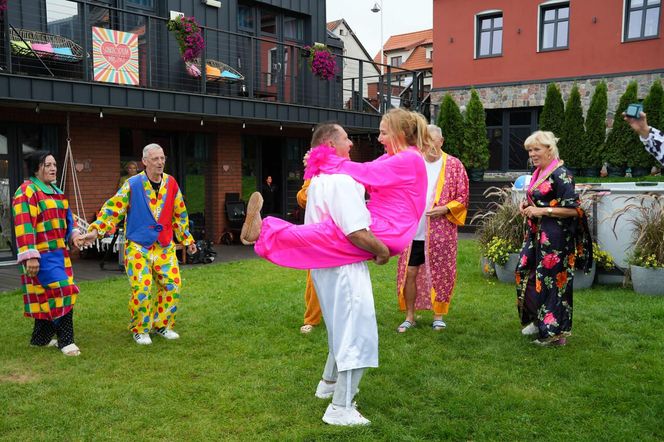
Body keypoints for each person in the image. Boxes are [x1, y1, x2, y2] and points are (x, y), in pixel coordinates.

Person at [241, 108, 429, 270]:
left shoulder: (410, 159)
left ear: (400, 134)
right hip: (384, 223)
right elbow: (364, 177)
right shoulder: (392, 158)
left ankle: (265, 231)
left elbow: (366, 171)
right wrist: (320, 161)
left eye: (384, 133)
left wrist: (324, 160)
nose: (379, 139)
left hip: (391, 229)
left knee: (329, 234)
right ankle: (267, 237)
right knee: (325, 237)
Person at [78, 144, 197, 345]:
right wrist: (96, 230)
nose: (160, 162)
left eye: (162, 158)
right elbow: (112, 209)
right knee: (142, 289)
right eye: (155, 159)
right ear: (145, 162)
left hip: (164, 245)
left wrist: (187, 240)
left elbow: (180, 214)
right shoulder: (132, 184)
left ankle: (162, 325)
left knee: (172, 285)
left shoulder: (172, 183)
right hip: (138, 247)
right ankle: (140, 329)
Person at [516, 131, 592, 346]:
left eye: (536, 149)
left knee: (551, 281)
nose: (532, 154)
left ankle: (554, 333)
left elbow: (573, 210)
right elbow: (537, 197)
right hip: (535, 234)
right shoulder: (538, 171)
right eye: (530, 150)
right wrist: (527, 205)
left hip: (556, 239)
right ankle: (536, 319)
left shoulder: (562, 174)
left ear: (550, 149)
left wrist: (543, 212)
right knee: (525, 272)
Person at [395, 124, 469, 333]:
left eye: (433, 141)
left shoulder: (454, 165)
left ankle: (438, 315)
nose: (429, 146)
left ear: (441, 142)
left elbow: (462, 197)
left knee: (440, 272)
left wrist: (445, 209)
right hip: (413, 232)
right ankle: (410, 316)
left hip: (440, 232)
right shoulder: (413, 163)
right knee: (410, 272)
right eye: (424, 141)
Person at [12, 150, 83, 356]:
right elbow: (23, 224)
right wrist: (30, 256)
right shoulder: (27, 191)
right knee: (63, 290)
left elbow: (69, 218)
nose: (53, 168)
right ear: (36, 168)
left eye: (54, 164)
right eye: (48, 165)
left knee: (46, 294)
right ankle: (66, 341)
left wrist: (75, 234)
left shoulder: (56, 191)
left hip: (60, 254)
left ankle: (40, 339)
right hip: (42, 254)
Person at [297, 123, 353, 334]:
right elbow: (302, 196)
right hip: (319, 234)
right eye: (346, 138)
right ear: (331, 143)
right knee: (315, 277)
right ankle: (312, 318)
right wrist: (317, 189)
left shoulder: (349, 168)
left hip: (344, 234)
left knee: (344, 276)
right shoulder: (316, 172)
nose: (351, 143)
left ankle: (343, 318)